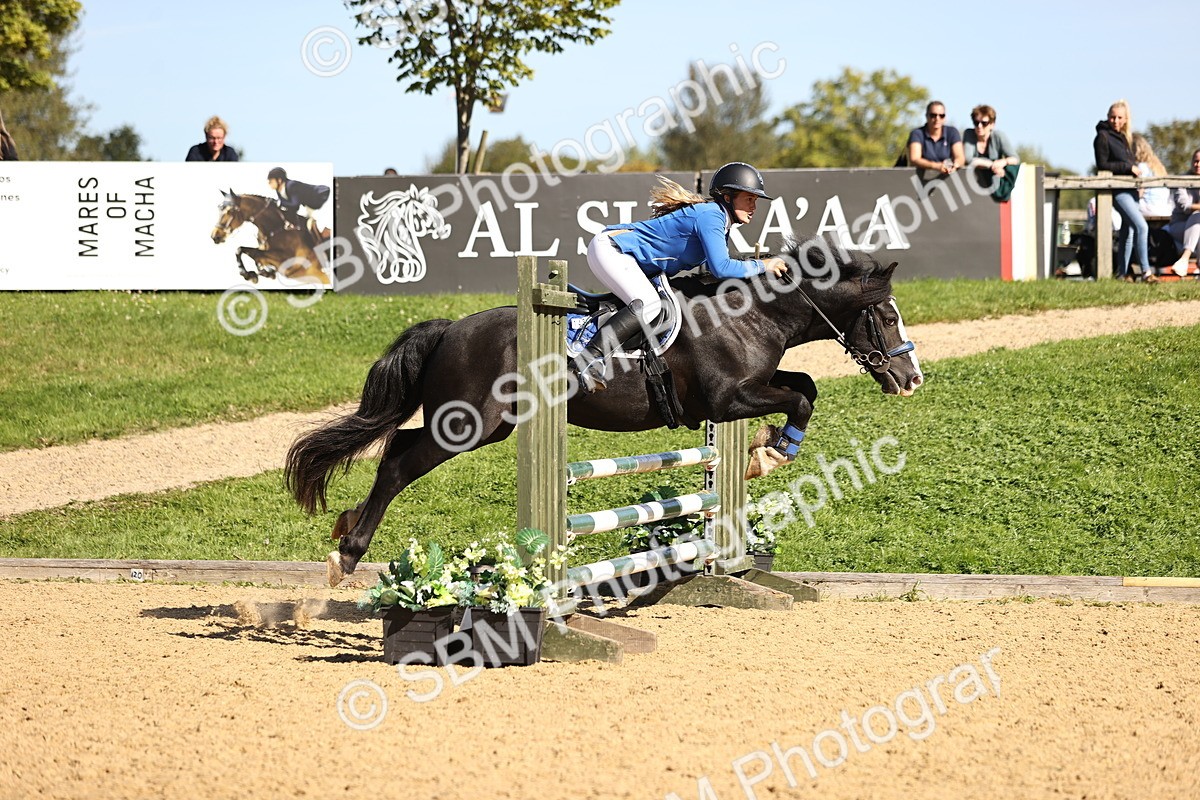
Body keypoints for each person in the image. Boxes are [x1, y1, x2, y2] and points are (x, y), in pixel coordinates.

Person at [574, 162, 789, 393]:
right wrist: (762, 265)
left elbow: (714, 270)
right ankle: (589, 360)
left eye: (755, 201)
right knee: (649, 304)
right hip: (612, 249)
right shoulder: (711, 217)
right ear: (727, 198)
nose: (753, 207)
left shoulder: (719, 221)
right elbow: (721, 268)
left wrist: (758, 266)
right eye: (749, 199)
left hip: (626, 256)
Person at [1093, 100, 1155, 282]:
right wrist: (1128, 167)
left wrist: (1138, 179)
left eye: (1119, 117)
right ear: (1107, 116)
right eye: (1112, 117)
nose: (1115, 120)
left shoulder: (1125, 138)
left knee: (1128, 232)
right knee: (1141, 226)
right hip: (1118, 190)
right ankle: (1146, 271)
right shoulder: (1103, 137)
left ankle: (1123, 273)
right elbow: (1102, 164)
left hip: (1132, 189)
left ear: (1126, 119)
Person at [267, 166, 331, 243]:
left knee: (321, 227)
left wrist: (280, 203)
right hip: (310, 206)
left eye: (271, 181)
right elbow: (290, 208)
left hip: (323, 199)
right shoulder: (279, 191)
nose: (269, 184)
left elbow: (295, 205)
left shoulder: (291, 185)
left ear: (279, 180)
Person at [907, 101, 965, 183]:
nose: (937, 118)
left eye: (941, 115)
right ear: (926, 116)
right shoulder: (917, 133)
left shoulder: (952, 132)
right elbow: (914, 158)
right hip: (918, 182)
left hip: (948, 182)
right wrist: (937, 166)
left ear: (945, 118)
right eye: (933, 115)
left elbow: (960, 157)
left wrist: (955, 165)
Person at [962, 104, 1019, 184]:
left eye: (984, 123)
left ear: (992, 125)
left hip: (995, 183)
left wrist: (1003, 162)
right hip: (971, 183)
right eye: (976, 122)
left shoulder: (999, 136)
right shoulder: (969, 134)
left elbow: (1015, 159)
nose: (979, 126)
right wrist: (992, 165)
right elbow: (968, 159)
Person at [1167, 148, 1200, 277]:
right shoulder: (1182, 181)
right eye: (1195, 161)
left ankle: (1184, 261)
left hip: (1196, 227)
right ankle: (1185, 258)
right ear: (1191, 162)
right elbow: (1184, 206)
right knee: (1197, 216)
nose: (1198, 164)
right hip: (1180, 226)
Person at [1132, 134, 1173, 218]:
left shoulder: (1141, 166)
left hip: (1150, 207)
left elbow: (1139, 192)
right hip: (1165, 208)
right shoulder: (1158, 166)